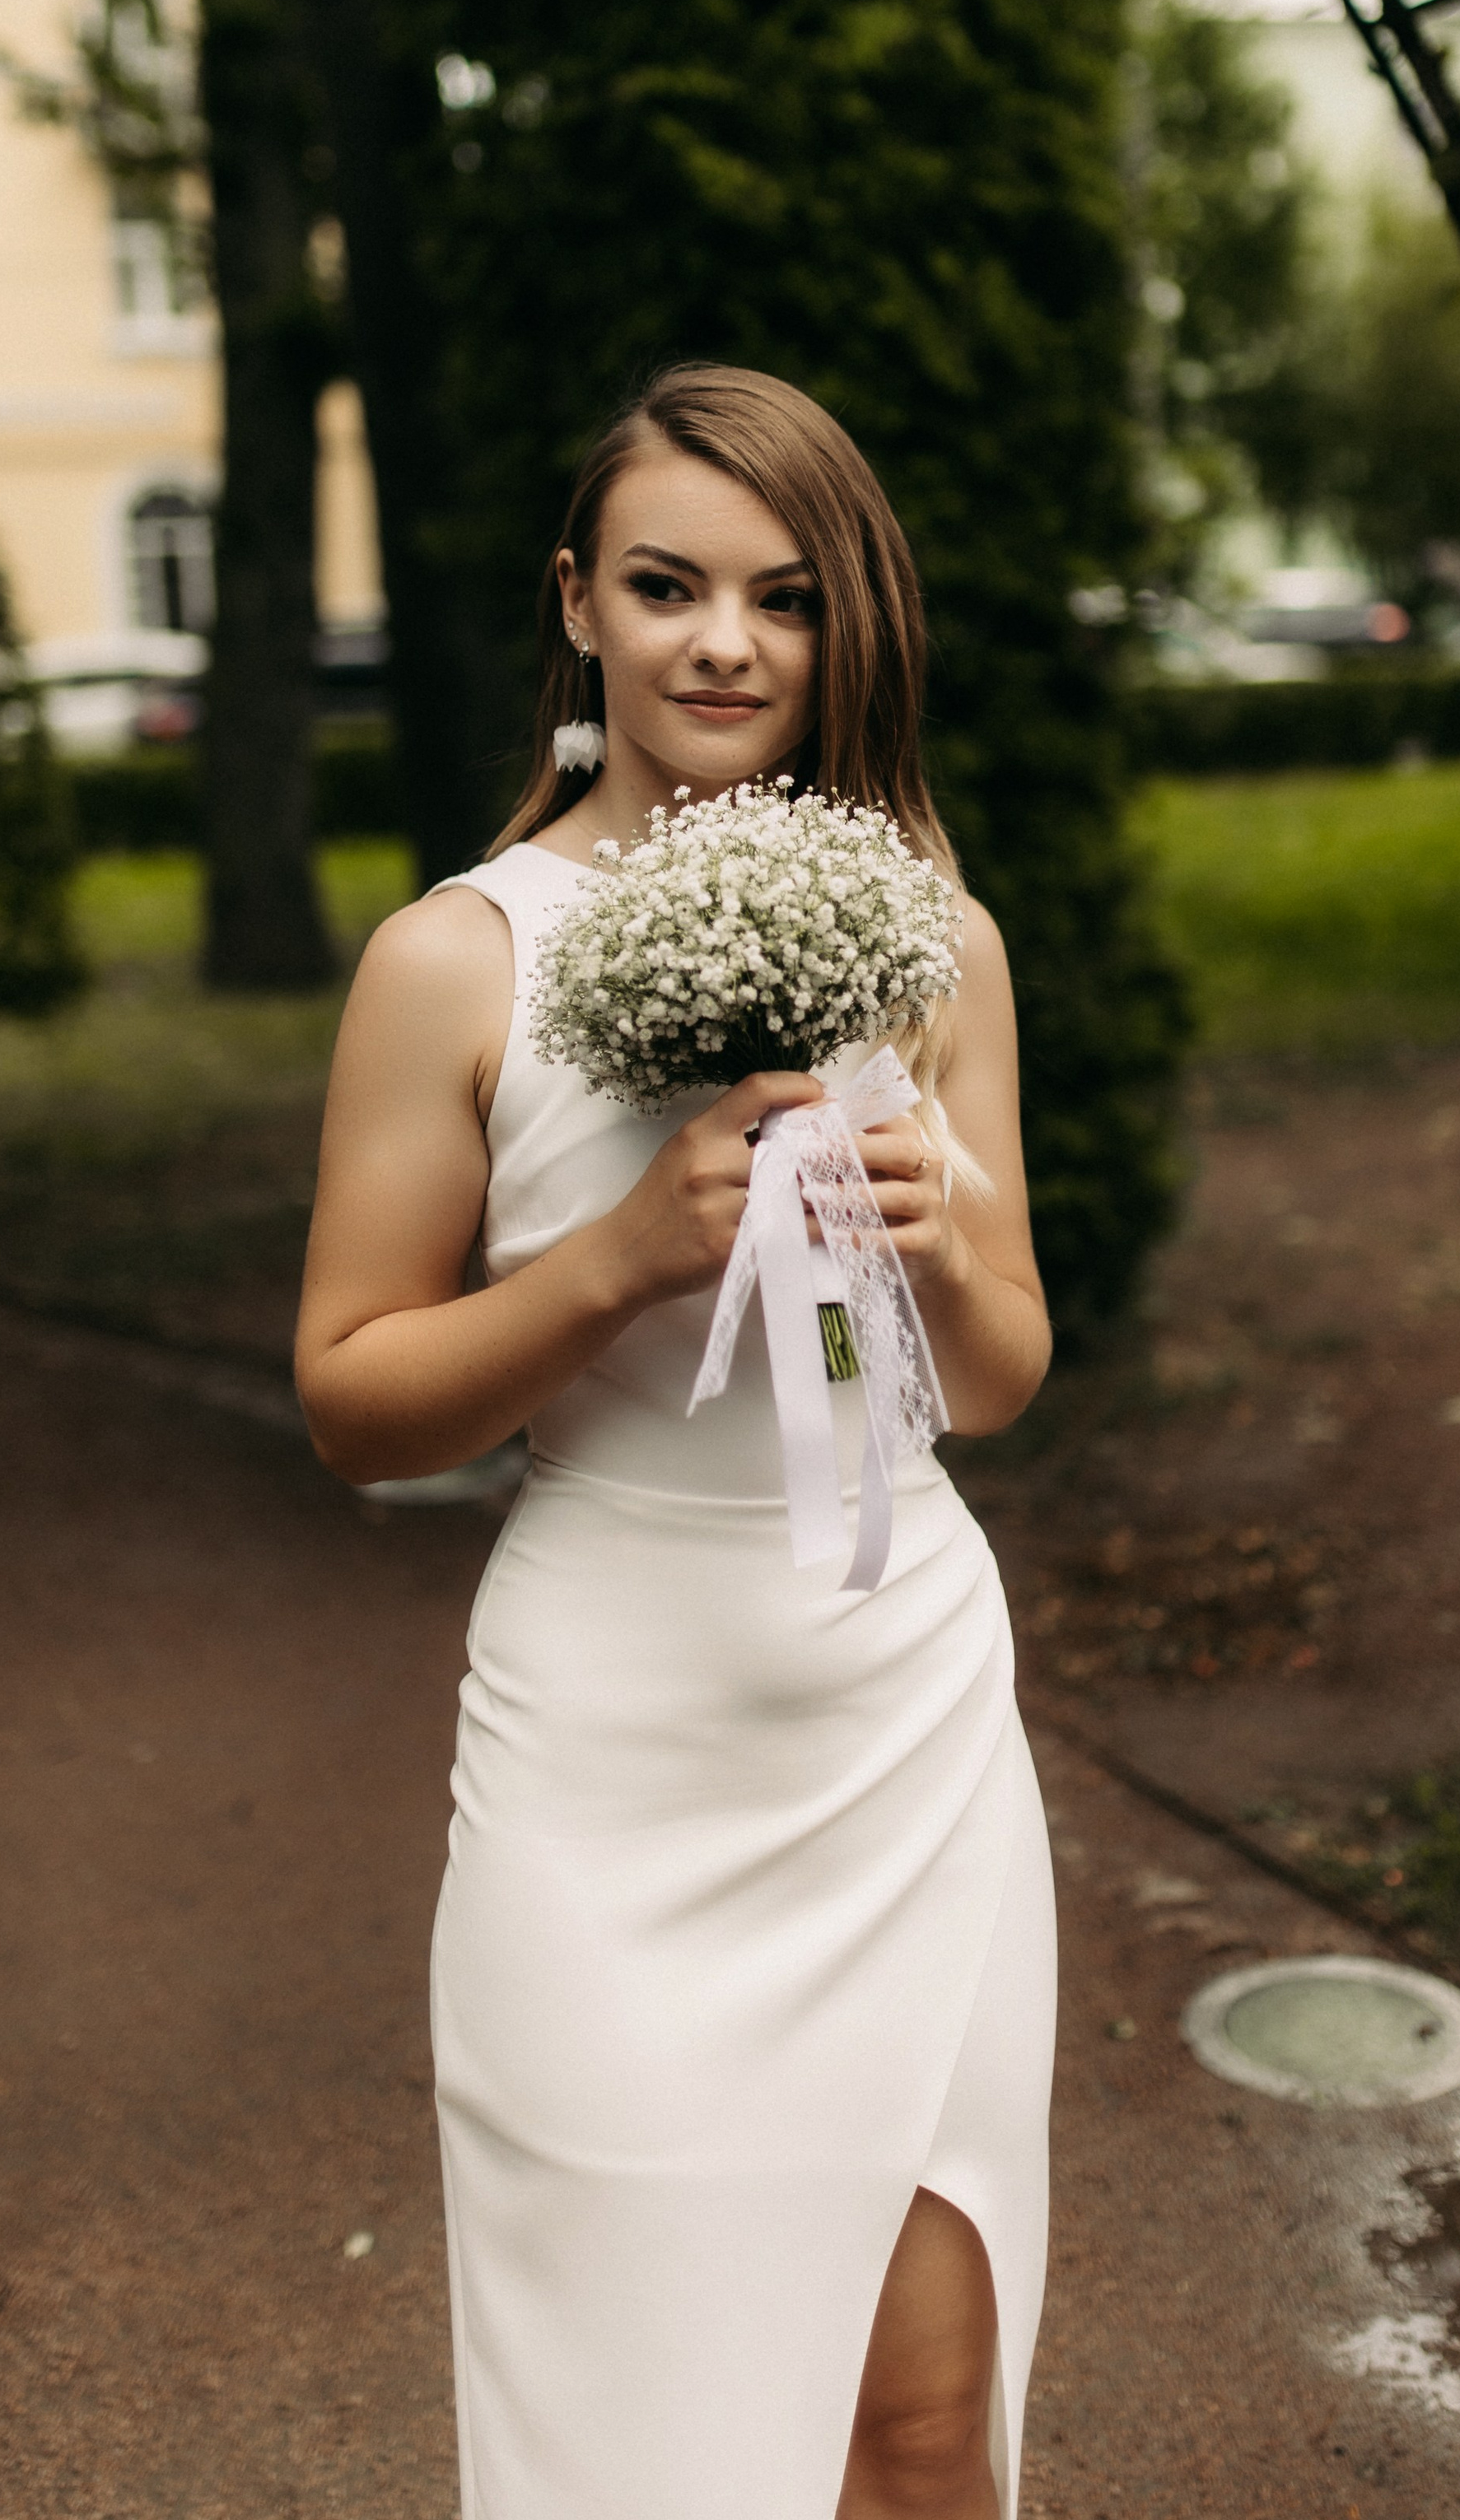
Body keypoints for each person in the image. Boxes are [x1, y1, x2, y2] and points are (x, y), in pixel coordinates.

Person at [296, 363, 1056, 2520]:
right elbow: (356, 1394)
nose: (724, 640)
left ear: (845, 628)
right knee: (651, 2444)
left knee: (921, 2418)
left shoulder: (936, 939)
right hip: (608, 1746)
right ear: (581, 604)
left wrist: (931, 1238)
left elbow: (1000, 1380)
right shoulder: (452, 960)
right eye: (666, 583)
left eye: (783, 595)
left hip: (903, 1719)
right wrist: (625, 1255)